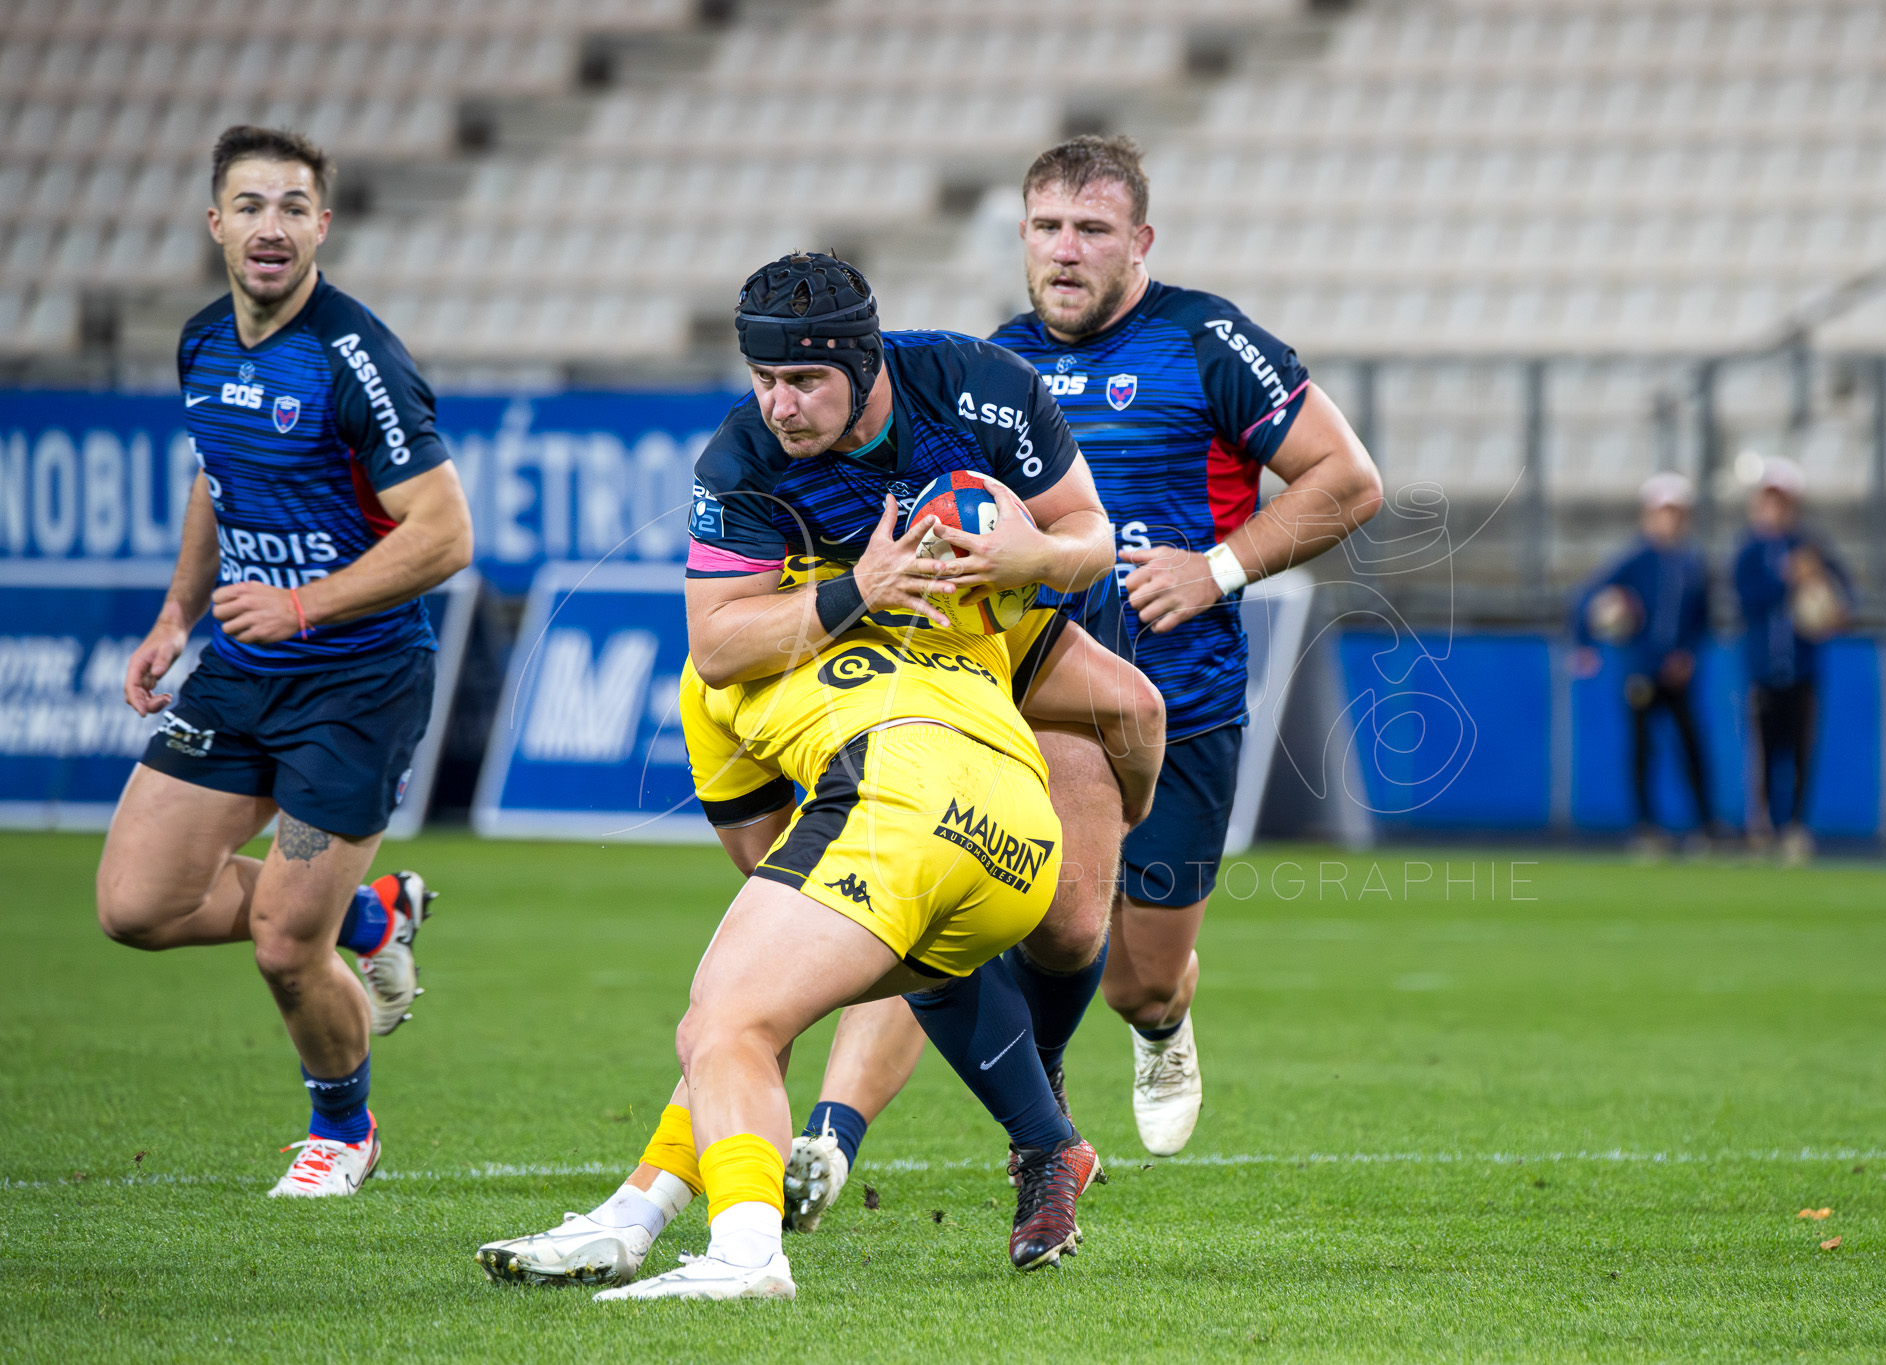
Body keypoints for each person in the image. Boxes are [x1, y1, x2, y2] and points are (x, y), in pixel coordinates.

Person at [478, 252, 1157, 1284]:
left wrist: (1027, 564)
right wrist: (861, 590)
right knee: (787, 972)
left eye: (803, 383)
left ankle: (756, 1236)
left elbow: (1090, 541)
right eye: (763, 381)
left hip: (994, 623)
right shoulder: (743, 462)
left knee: (1076, 889)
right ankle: (1031, 1137)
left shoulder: (980, 389)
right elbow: (720, 644)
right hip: (917, 713)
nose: (779, 406)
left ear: (863, 361)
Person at [769, 134, 1385, 1179]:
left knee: (1135, 981)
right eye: (1046, 227)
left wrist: (1217, 571)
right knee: (943, 906)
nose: (1065, 250)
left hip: (1181, 701)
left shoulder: (1204, 341)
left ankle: (1159, 1025)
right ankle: (832, 1141)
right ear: (1020, 236)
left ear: (1137, 241)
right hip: (1034, 694)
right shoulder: (986, 367)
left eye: (1090, 229)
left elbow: (1347, 479)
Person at [95, 126, 472, 1196]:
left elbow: (444, 536)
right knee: (134, 907)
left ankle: (342, 1132)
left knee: (277, 944)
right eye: (251, 206)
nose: (272, 227)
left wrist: (302, 606)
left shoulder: (357, 358)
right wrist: (177, 617)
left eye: (293, 207)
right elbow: (218, 479)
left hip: (354, 695)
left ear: (323, 225)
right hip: (240, 677)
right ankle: (371, 913)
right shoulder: (205, 344)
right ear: (216, 224)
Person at [1572, 472, 1716, 854]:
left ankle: (1704, 826)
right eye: (1662, 512)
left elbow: (1703, 619)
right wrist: (1587, 643)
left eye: (1675, 513)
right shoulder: (1634, 560)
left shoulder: (1692, 563)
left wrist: (1687, 655)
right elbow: (1589, 599)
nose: (1668, 520)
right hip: (1640, 670)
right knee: (1641, 748)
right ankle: (1646, 827)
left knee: (1690, 745)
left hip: (1679, 674)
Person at [1734, 457, 1852, 864]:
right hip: (1763, 670)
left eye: (1782, 503)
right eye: (1769, 502)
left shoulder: (1811, 547)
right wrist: (1787, 578)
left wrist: (1832, 602)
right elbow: (1746, 597)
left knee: (1800, 753)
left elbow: (1844, 594)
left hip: (1803, 670)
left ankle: (1795, 827)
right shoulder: (1750, 550)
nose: (1775, 511)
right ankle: (1763, 827)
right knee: (1764, 753)